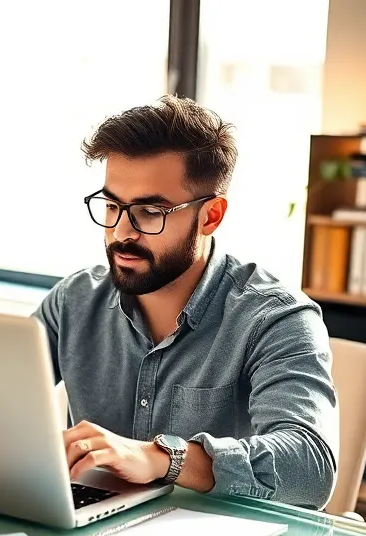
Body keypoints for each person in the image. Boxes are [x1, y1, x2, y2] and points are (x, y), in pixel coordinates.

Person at [33, 95, 339, 509]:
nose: (122, 231)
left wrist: (162, 459)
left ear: (210, 216)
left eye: (150, 211)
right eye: (111, 205)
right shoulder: (74, 301)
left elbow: (310, 469)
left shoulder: (277, 318)